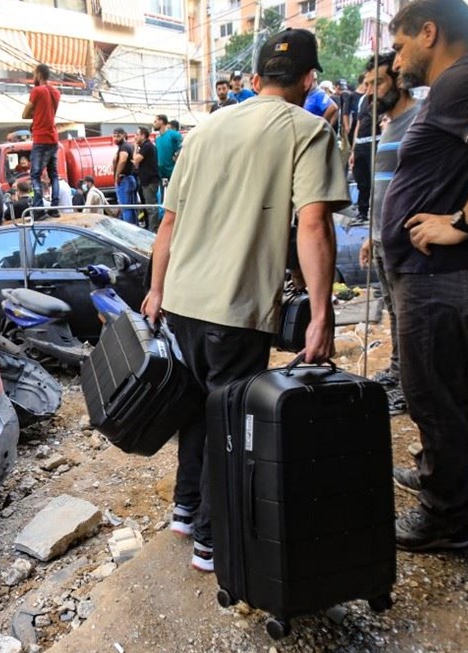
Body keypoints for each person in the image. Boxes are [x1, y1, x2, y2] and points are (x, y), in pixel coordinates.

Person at [141, 28, 346, 572]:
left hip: (182, 299)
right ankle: (211, 542)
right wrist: (321, 314)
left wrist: (157, 290)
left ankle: (186, 510)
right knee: (229, 423)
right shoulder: (309, 130)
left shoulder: (204, 129)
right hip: (235, 307)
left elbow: (168, 223)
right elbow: (314, 225)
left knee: (196, 409)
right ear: (309, 79)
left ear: (255, 79)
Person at [382, 0, 468, 551]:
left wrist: (463, 222)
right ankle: (459, 465)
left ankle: (445, 516)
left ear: (429, 32)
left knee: (431, 390)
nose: (396, 62)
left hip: (439, 273)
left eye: (399, 47)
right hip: (455, 273)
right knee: (465, 375)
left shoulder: (463, 79)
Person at [356, 51, 418, 418]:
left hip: (405, 241)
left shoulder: (419, 120)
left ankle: (410, 387)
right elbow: (382, 187)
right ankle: (398, 374)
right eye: (366, 84)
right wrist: (372, 234)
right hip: (382, 238)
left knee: (409, 320)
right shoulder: (388, 126)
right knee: (394, 313)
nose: (369, 92)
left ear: (398, 81)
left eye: (377, 82)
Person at [350, 56, 386, 223]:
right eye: (367, 83)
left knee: (375, 180)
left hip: (375, 142)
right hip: (361, 144)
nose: (369, 88)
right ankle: (362, 211)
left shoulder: (382, 100)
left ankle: (376, 213)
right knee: (361, 180)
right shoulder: (363, 100)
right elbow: (358, 122)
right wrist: (354, 149)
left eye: (373, 83)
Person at [23, 63, 61, 217]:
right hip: (53, 138)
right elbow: (50, 112)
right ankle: (55, 207)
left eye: (34, 74)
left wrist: (35, 113)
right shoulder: (56, 92)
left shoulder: (37, 91)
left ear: (38, 74)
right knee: (54, 175)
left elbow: (25, 114)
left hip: (40, 138)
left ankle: (39, 209)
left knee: (35, 175)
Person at [133, 127, 160, 231]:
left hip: (150, 181)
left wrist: (135, 147)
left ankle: (153, 230)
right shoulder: (145, 146)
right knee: (148, 206)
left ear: (143, 135)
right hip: (146, 181)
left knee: (151, 207)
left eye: (137, 134)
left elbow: (136, 160)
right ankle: (151, 227)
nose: (135, 137)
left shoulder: (147, 146)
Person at [112, 128, 137, 224]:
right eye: (114, 136)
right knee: (130, 207)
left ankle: (129, 228)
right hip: (128, 179)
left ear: (124, 135)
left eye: (118, 136)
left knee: (126, 209)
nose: (116, 138)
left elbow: (123, 160)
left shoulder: (124, 147)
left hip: (124, 179)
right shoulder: (127, 146)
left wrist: (117, 175)